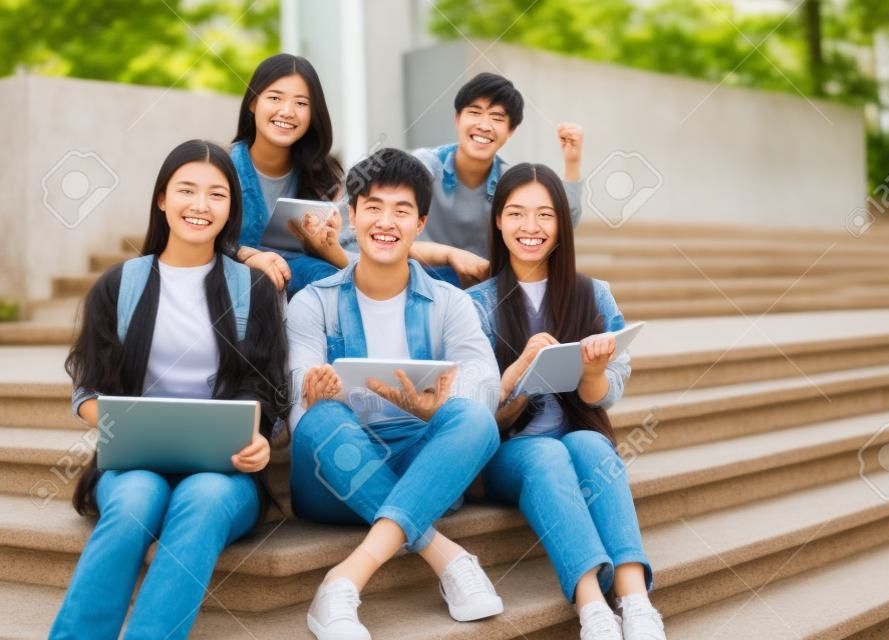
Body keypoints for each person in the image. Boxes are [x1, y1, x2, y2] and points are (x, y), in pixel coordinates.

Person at [50, 140, 289, 640]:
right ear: (162, 199)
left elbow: (265, 389)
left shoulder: (254, 289)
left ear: (231, 210)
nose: (200, 206)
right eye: (187, 190)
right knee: (135, 498)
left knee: (202, 500)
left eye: (216, 195)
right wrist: (127, 424)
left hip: (223, 474)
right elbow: (89, 391)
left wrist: (261, 437)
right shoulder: (119, 286)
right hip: (133, 463)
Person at [286, 148, 504, 640]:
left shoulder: (449, 302)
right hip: (332, 474)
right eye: (375, 207)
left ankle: (345, 578)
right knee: (321, 418)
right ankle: (444, 554)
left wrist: (440, 403)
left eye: (402, 210)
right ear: (351, 216)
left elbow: (484, 380)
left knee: (474, 419)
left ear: (421, 222)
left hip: (419, 459)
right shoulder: (312, 303)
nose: (387, 222)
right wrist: (313, 396)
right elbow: (296, 402)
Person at [467, 163, 665, 640]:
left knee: (594, 448)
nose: (529, 228)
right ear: (497, 221)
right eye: (516, 214)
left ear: (561, 223)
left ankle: (635, 599)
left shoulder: (592, 294)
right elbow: (473, 413)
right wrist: (517, 372)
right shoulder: (474, 303)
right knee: (549, 451)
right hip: (508, 452)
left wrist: (593, 372)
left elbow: (607, 394)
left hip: (578, 435)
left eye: (543, 215)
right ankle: (592, 605)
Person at [411, 72, 585, 287]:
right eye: (474, 112)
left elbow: (564, 220)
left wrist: (572, 162)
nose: (484, 125)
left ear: (511, 130)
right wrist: (449, 255)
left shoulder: (509, 179)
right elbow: (372, 237)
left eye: (497, 118)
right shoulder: (422, 166)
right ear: (457, 119)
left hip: (486, 294)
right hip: (419, 289)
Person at [230, 53, 351, 296]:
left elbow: (347, 256)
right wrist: (245, 255)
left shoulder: (325, 176)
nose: (287, 111)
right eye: (275, 98)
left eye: (301, 103)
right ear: (253, 103)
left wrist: (326, 242)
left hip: (297, 291)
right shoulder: (221, 168)